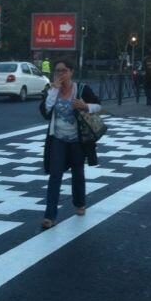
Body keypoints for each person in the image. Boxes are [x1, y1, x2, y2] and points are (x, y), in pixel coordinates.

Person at [39, 58, 101, 229]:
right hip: (57, 139)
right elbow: (46, 110)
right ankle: (49, 216)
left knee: (78, 173)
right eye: (57, 71)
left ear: (71, 72)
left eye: (64, 70)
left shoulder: (81, 89)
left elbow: (99, 106)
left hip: (77, 141)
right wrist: (53, 90)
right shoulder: (52, 90)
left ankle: (80, 203)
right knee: (55, 175)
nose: (60, 74)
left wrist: (85, 105)